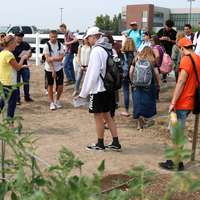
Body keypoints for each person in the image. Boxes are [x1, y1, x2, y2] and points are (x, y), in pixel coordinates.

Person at [158, 37, 200, 171]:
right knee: (174, 129)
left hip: (182, 102)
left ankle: (177, 162)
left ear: (181, 48)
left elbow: (181, 82)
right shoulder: (198, 59)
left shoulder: (186, 60)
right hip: (191, 100)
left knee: (176, 132)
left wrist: (173, 102)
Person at [78, 27, 121, 152]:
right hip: (109, 88)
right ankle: (115, 142)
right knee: (108, 116)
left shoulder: (96, 50)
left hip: (98, 89)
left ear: (92, 37)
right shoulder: (108, 48)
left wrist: (84, 92)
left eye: (88, 38)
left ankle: (100, 144)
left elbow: (93, 74)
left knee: (98, 117)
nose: (88, 41)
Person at [0, 35, 31, 128]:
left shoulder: (2, 53)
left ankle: (10, 124)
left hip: (3, 81)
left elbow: (13, 66)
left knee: (3, 102)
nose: (15, 46)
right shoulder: (9, 54)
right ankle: (11, 125)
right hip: (10, 82)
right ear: (10, 43)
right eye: (14, 44)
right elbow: (17, 68)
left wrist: (23, 66)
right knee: (11, 104)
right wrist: (23, 59)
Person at [129, 46, 160, 130]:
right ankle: (145, 118)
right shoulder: (152, 60)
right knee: (147, 102)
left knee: (138, 104)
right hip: (149, 84)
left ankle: (139, 125)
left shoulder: (136, 59)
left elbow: (131, 71)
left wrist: (132, 82)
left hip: (137, 84)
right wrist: (158, 83)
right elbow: (157, 73)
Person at [102, 32, 122, 129]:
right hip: (113, 78)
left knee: (109, 101)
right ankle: (111, 120)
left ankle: (109, 121)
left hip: (110, 79)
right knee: (111, 101)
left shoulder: (111, 50)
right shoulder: (114, 49)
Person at [43, 30, 64, 110]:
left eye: (55, 37)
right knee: (50, 86)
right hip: (49, 69)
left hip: (59, 67)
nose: (53, 38)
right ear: (49, 36)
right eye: (52, 37)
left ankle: (57, 100)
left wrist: (52, 59)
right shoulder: (47, 45)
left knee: (60, 86)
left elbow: (61, 57)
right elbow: (48, 60)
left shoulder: (60, 45)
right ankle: (51, 102)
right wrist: (53, 71)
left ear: (57, 36)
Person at [12, 30, 33, 105]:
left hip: (25, 66)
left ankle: (27, 96)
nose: (20, 38)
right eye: (18, 36)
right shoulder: (12, 45)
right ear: (15, 36)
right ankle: (17, 98)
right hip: (15, 66)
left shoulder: (26, 45)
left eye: (21, 36)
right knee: (17, 83)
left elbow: (30, 54)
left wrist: (28, 55)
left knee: (26, 82)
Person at [120, 38, 137, 117]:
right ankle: (135, 110)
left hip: (124, 75)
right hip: (133, 75)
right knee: (134, 93)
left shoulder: (122, 54)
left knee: (126, 93)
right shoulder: (135, 54)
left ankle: (126, 111)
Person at [150, 36, 164, 101]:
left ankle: (155, 97)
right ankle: (156, 97)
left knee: (155, 82)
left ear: (155, 41)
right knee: (157, 81)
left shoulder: (155, 48)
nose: (150, 41)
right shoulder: (160, 47)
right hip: (159, 66)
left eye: (152, 40)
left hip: (156, 66)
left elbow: (157, 56)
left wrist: (155, 64)